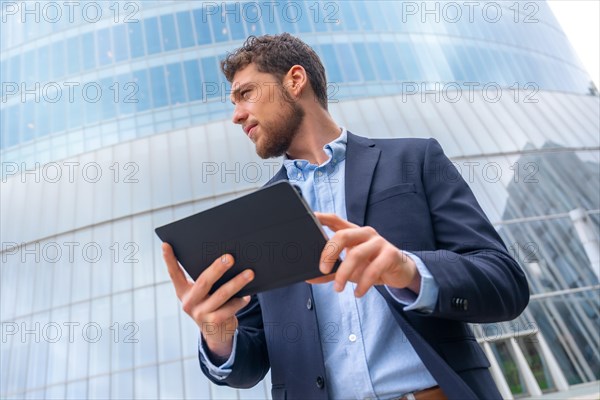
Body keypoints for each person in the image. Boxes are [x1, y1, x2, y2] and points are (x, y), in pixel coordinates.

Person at [162, 33, 529, 400]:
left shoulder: (414, 161)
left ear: (294, 80)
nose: (236, 115)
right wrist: (218, 336)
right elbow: (251, 363)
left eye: (246, 93)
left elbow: (505, 282)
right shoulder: (256, 219)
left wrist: (409, 270)